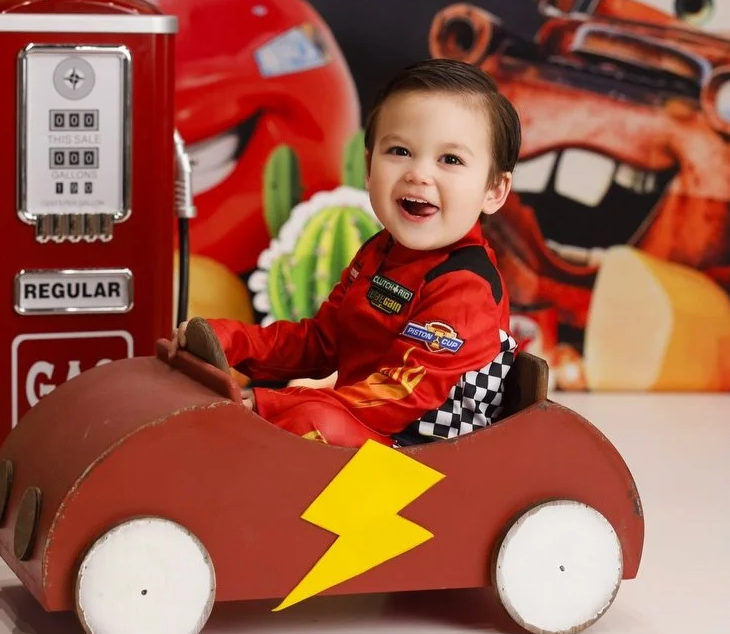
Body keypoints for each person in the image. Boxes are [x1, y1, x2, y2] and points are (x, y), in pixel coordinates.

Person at [177, 58, 522, 448]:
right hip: (371, 433)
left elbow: (400, 393)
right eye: (400, 151)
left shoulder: (465, 287)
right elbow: (322, 342)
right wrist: (228, 339)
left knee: (310, 421)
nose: (418, 174)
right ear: (369, 167)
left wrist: (273, 403)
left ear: (494, 190)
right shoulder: (379, 253)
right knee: (289, 416)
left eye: (451, 159)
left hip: (431, 457)